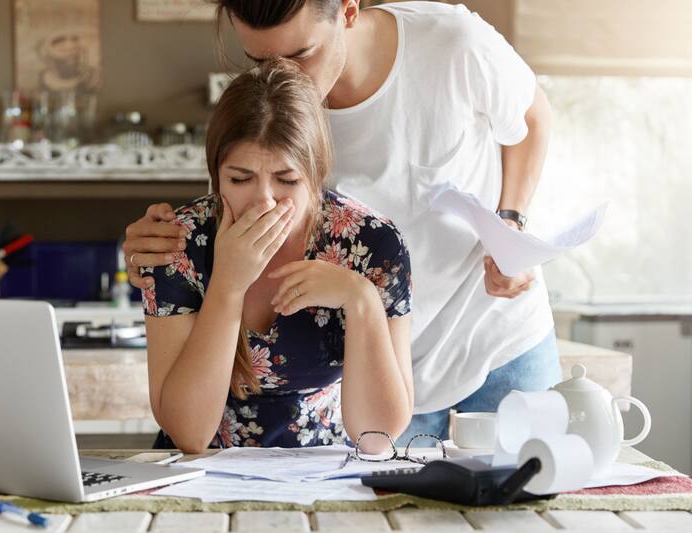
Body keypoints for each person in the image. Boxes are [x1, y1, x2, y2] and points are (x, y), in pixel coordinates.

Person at [124, 1, 560, 442]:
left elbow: (532, 117)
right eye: (259, 61)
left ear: (348, 11)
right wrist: (157, 249)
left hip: (490, 328)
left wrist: (511, 224)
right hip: (377, 364)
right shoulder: (269, 118)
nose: (281, 79)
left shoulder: (452, 44)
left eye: (299, 56)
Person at [142, 58, 413, 453]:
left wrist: (362, 299)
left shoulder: (373, 244)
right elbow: (188, 434)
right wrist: (228, 286)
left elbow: (378, 437)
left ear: (317, 174)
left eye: (287, 180)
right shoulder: (177, 244)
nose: (264, 200)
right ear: (215, 173)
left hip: (324, 471)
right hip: (202, 473)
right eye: (239, 179)